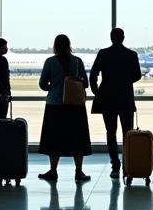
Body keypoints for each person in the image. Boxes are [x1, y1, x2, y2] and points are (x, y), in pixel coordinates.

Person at [38, 34, 92, 182]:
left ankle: (53, 171)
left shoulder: (50, 62)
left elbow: (42, 84)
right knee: (77, 139)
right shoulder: (77, 61)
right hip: (74, 105)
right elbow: (85, 83)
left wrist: (54, 86)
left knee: (54, 139)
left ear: (55, 46)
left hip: (55, 105)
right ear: (69, 45)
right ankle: (79, 171)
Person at [89, 27, 142, 179]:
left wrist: (97, 91)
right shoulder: (131, 55)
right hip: (125, 98)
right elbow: (137, 75)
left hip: (107, 98)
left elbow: (93, 74)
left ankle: (115, 166)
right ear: (123, 37)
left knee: (110, 132)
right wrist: (125, 81)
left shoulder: (103, 54)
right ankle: (127, 166)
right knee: (128, 134)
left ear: (111, 38)